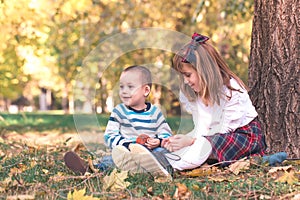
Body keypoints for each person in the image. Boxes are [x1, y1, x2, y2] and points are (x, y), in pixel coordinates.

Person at [125, 32, 274, 173]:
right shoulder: (196, 94)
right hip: (211, 140)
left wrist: (190, 141)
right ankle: (155, 159)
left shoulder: (231, 91)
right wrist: (179, 141)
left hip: (242, 139)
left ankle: (167, 166)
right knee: (185, 146)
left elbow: (222, 131)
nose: (185, 81)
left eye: (188, 75)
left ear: (204, 71)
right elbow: (202, 130)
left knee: (204, 145)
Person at [64, 65, 173, 175]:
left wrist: (158, 142)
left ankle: (150, 167)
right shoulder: (119, 111)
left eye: (130, 87)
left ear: (145, 90)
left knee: (163, 153)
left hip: (151, 152)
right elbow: (109, 136)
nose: (124, 91)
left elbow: (166, 134)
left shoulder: (155, 112)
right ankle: (91, 168)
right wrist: (127, 145)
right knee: (111, 159)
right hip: (127, 153)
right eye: (121, 87)